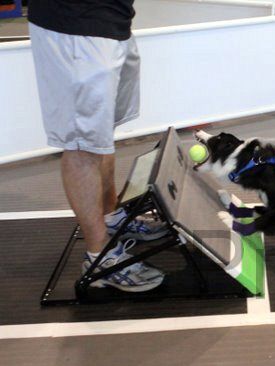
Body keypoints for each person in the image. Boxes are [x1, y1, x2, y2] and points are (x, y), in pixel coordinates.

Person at [28, 0, 168, 292]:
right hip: (76, 24)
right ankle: (99, 259)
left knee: (101, 132)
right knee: (82, 145)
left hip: (112, 20)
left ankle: (111, 217)